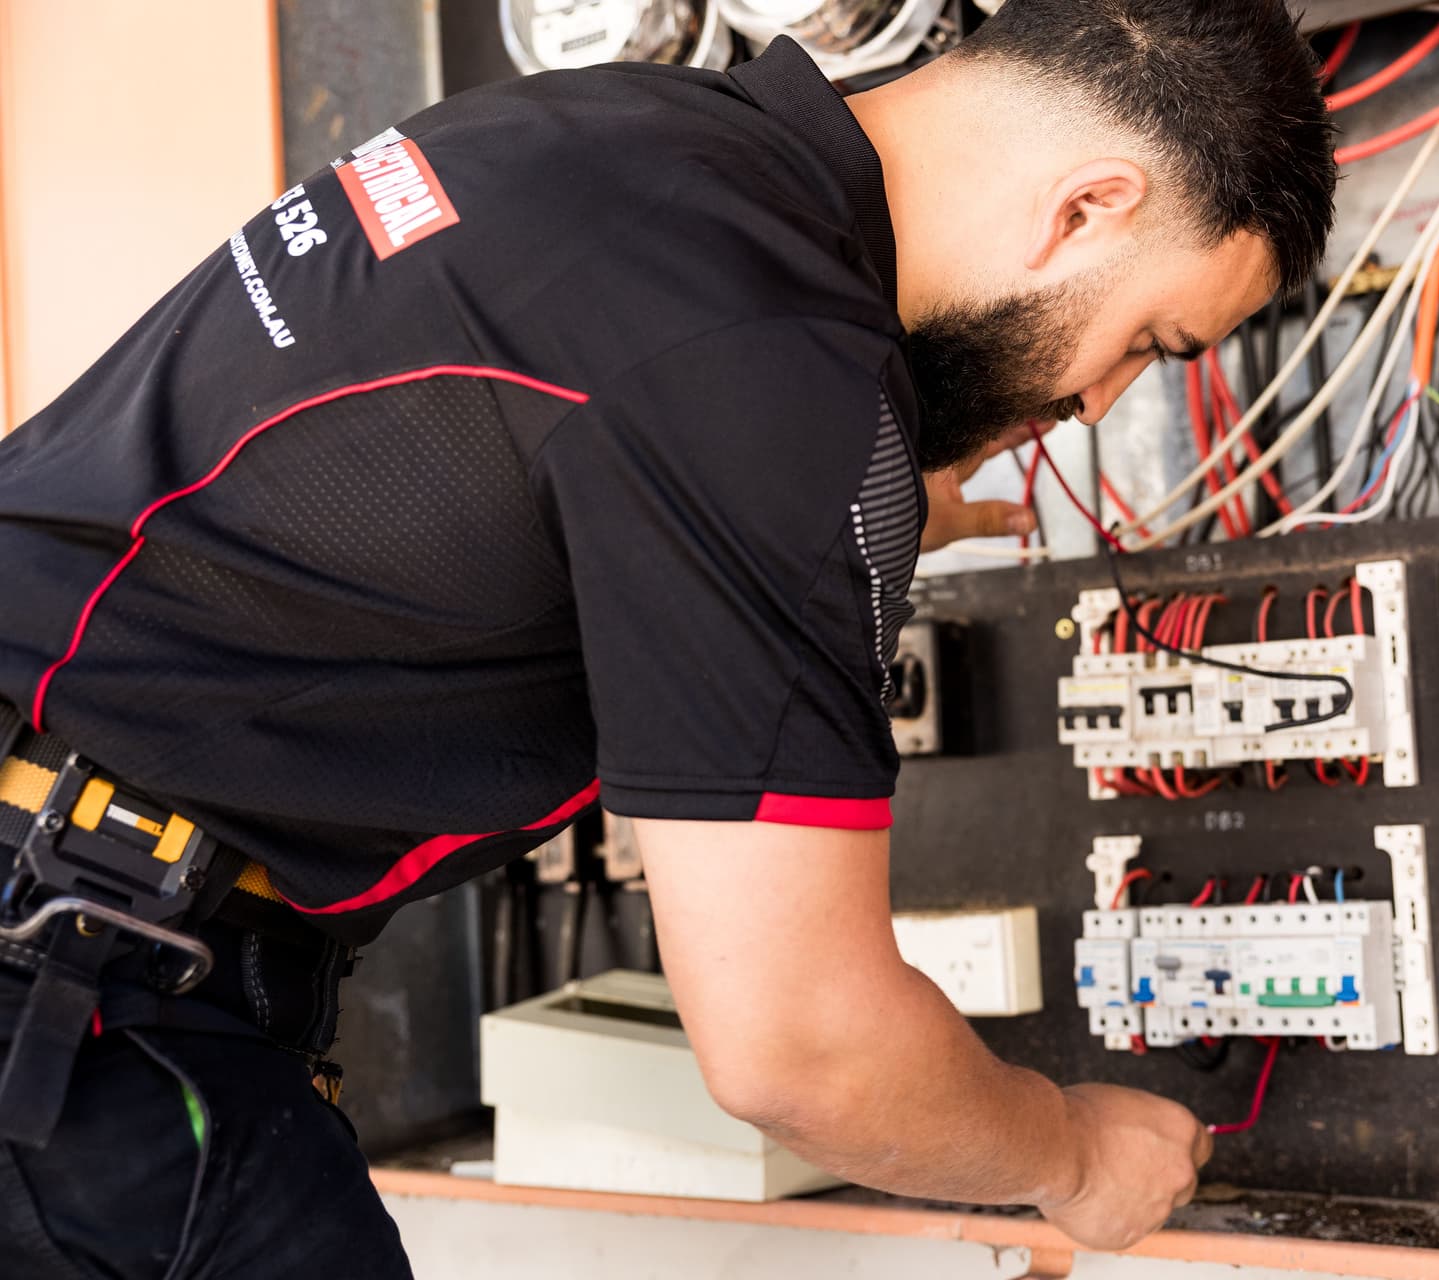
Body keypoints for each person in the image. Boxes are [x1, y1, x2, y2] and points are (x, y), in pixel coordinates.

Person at [0, 1, 1335, 1273]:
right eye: (1150, 342)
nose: (1097, 401)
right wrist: (1073, 1155)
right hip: (82, 987)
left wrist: (802, 511)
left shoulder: (618, 136)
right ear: (1089, 207)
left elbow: (501, 448)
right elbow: (801, 1052)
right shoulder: (776, 376)